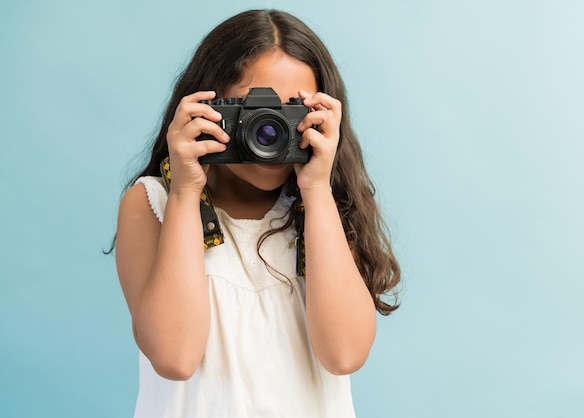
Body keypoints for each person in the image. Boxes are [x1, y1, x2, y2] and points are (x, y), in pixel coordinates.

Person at [114, 9, 401, 418]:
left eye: (291, 113)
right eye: (253, 111)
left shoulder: (327, 210)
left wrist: (317, 190)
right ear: (209, 106)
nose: (271, 132)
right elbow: (174, 358)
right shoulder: (154, 203)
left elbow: (345, 354)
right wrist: (186, 190)